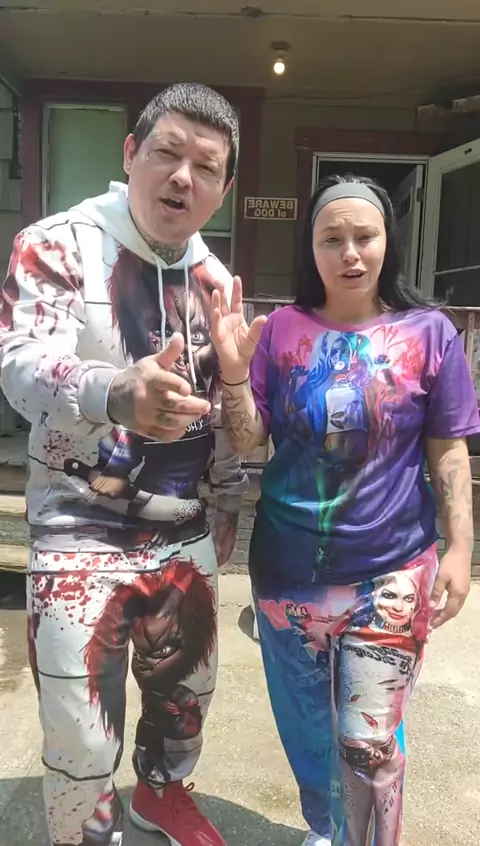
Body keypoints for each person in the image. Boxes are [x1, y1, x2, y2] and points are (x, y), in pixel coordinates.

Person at [0, 82, 248, 846]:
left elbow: (224, 406)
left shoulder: (216, 280)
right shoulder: (56, 245)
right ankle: (87, 829)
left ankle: (163, 795)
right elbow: (17, 364)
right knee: (80, 725)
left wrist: (228, 501)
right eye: (168, 153)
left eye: (206, 168)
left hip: (185, 528)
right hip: (77, 523)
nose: (183, 177)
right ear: (131, 152)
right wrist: (112, 392)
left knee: (187, 695)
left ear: (223, 190)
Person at [209, 173, 480, 846]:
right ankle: (327, 828)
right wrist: (235, 374)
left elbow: (448, 451)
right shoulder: (282, 331)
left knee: (368, 743)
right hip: (286, 573)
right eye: (332, 238)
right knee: (308, 732)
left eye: (365, 236)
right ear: (311, 247)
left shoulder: (431, 334)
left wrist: (459, 547)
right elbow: (246, 441)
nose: (350, 252)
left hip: (391, 570)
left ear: (389, 241)